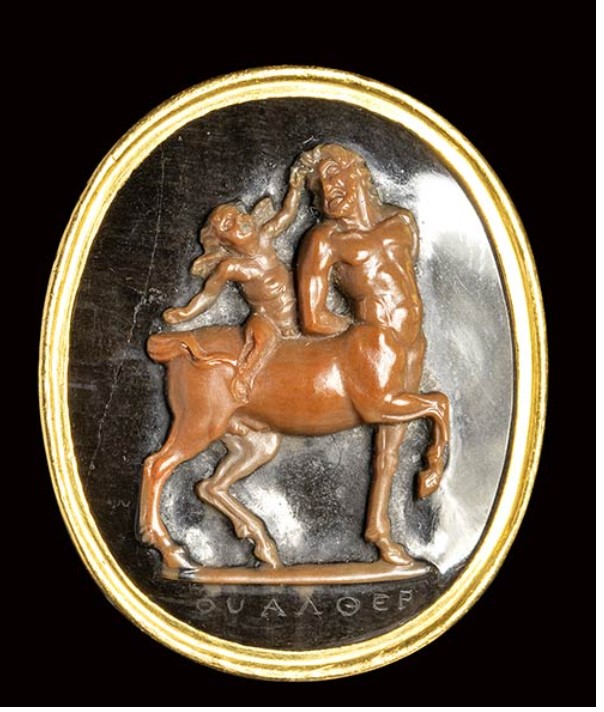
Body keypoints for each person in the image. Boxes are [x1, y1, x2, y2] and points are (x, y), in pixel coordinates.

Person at [163, 165, 305, 402]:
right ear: (224, 243)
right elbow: (209, 295)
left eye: (240, 215)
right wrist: (185, 313)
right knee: (262, 341)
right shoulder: (231, 267)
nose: (240, 222)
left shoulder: (266, 236)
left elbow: (288, 213)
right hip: (267, 318)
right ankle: (244, 378)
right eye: (230, 225)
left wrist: (296, 188)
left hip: (294, 306)